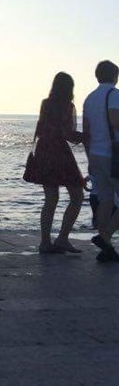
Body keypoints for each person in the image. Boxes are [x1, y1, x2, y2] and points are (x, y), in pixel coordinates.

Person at [25, 72, 85, 254]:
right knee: (77, 196)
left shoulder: (46, 103)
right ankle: (62, 239)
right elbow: (67, 133)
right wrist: (86, 137)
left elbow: (41, 127)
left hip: (43, 150)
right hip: (59, 151)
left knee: (50, 199)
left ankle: (45, 242)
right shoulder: (68, 106)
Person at [83, 60, 119, 261]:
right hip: (112, 154)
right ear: (115, 76)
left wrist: (89, 158)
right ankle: (105, 237)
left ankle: (106, 248)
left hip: (96, 154)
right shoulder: (115, 95)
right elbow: (115, 120)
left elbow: (87, 132)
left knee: (105, 199)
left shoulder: (89, 99)